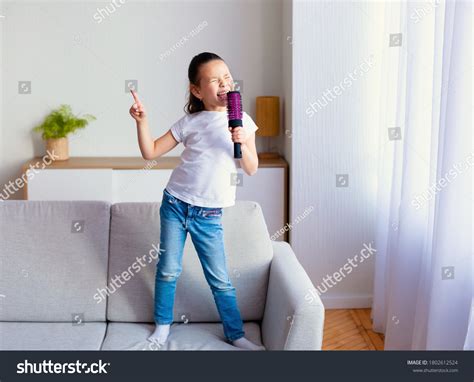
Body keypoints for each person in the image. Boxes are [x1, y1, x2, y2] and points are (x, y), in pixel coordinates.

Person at [129, 52, 264, 350]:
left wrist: (241, 140)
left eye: (227, 77)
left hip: (209, 214)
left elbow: (251, 168)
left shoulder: (243, 121)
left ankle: (236, 334)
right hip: (175, 204)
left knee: (219, 279)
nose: (224, 83)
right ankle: (162, 326)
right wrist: (143, 121)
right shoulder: (190, 122)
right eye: (215, 80)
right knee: (167, 269)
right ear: (197, 90)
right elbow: (150, 152)